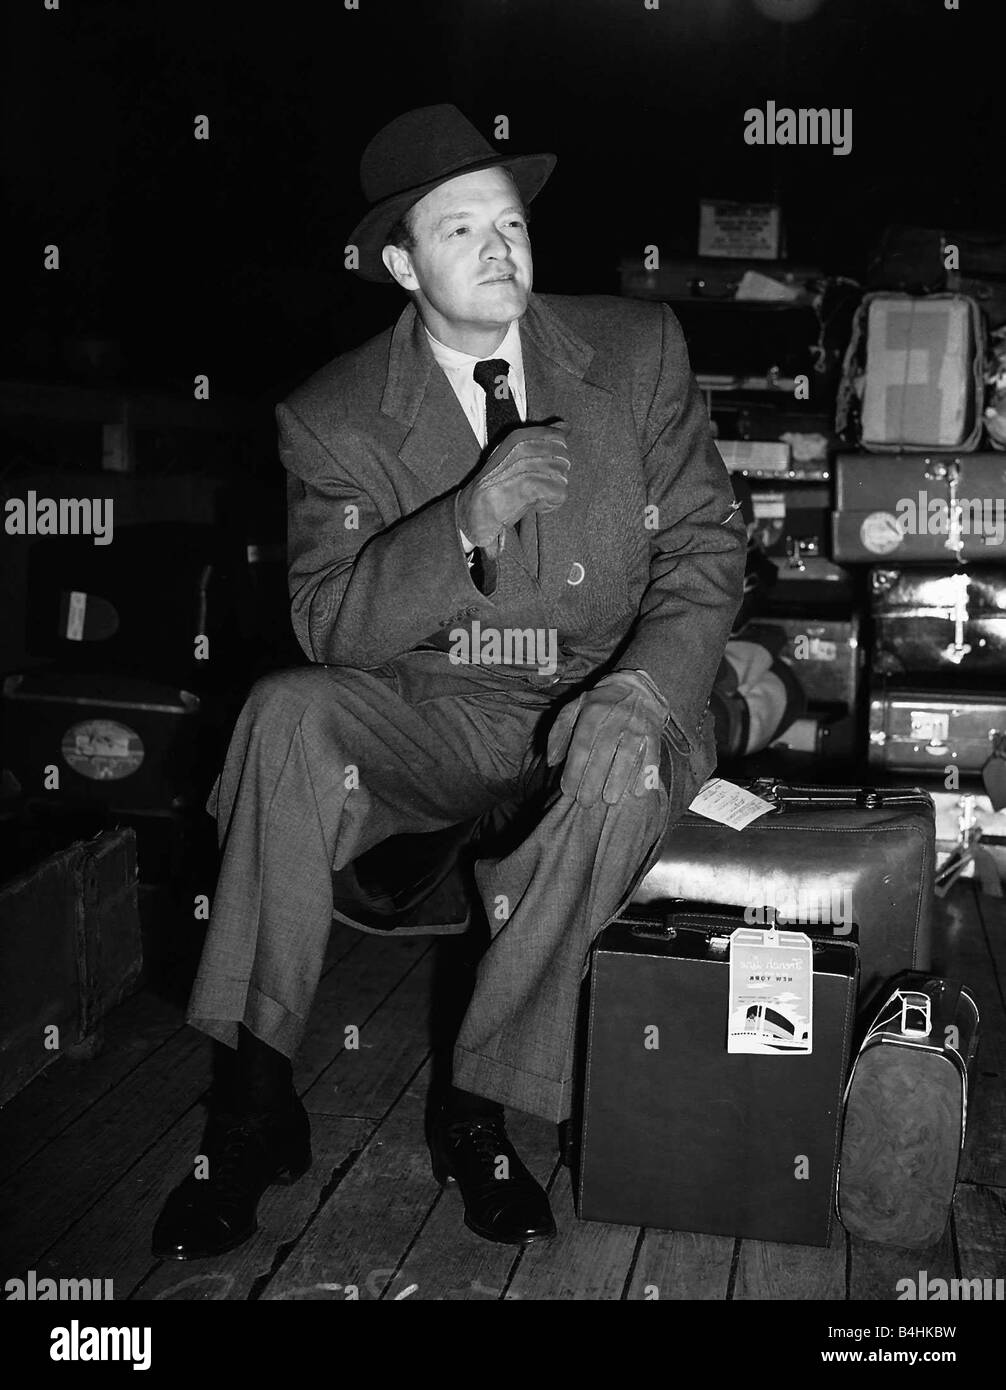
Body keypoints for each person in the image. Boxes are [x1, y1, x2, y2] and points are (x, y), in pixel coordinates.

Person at [152, 103, 746, 1259]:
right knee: (284, 715)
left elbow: (705, 549)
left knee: (614, 778)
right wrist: (462, 525)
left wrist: (639, 693)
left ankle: (473, 1112)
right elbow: (328, 622)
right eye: (458, 228)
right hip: (446, 712)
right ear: (397, 263)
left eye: (510, 222)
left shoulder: (637, 351)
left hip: (615, 687)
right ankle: (252, 1106)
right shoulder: (328, 418)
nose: (498, 247)